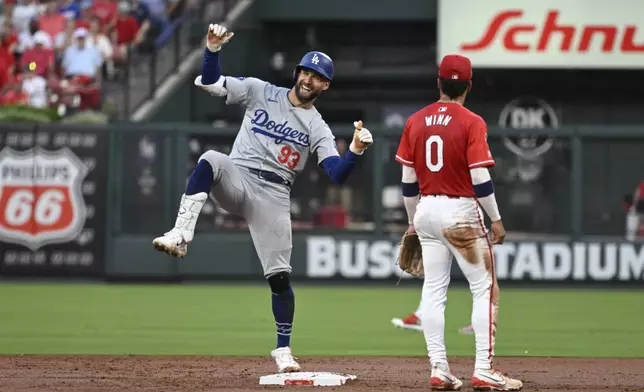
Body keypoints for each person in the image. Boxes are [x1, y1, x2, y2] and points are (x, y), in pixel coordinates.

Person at [152, 24, 373, 374]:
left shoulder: (317, 126)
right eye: (305, 71)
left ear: (325, 86)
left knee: (280, 279)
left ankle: (283, 349)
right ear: (297, 72)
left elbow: (336, 173)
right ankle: (181, 233)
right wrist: (211, 50)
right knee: (210, 158)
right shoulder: (260, 90)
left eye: (317, 77)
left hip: (273, 194)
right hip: (237, 177)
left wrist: (356, 151)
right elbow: (211, 83)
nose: (308, 79)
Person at [394, 54, 522, 391]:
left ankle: (440, 370)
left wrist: (411, 221)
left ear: (439, 83)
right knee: (483, 290)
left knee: (434, 291)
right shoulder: (472, 121)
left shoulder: (416, 121)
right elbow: (479, 177)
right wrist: (495, 218)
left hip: (426, 209)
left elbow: (408, 181)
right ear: (467, 85)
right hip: (461, 212)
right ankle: (483, 369)